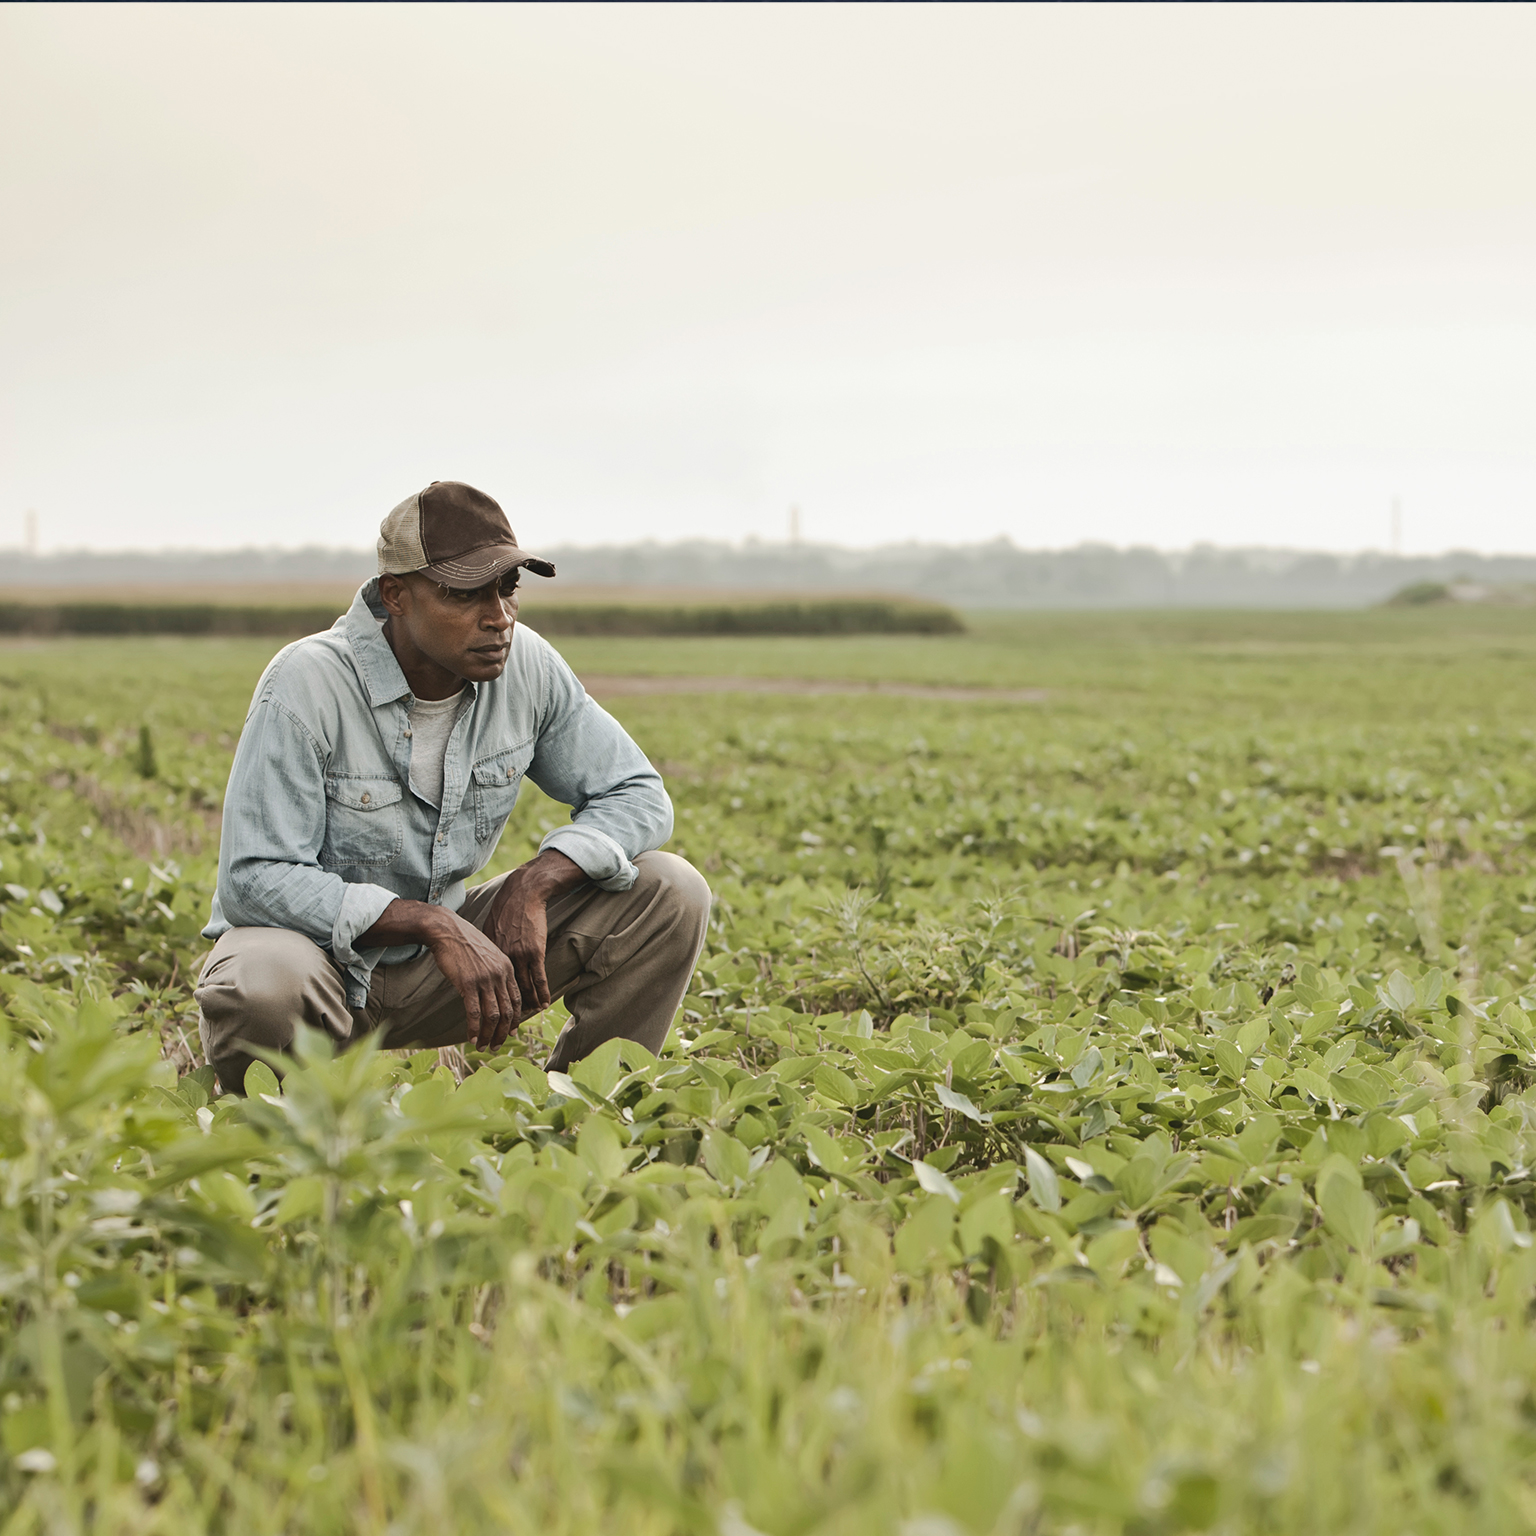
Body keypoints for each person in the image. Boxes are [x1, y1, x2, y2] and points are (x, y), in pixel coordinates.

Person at [194, 480, 711, 1093]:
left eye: (507, 588)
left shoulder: (528, 666)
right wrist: (426, 922)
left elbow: (638, 793)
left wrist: (536, 880)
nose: (499, 617)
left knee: (670, 890)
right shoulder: (307, 682)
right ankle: (269, 1137)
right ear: (397, 595)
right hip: (321, 970)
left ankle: (578, 1113)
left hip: (452, 974)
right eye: (466, 593)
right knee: (260, 978)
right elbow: (255, 877)